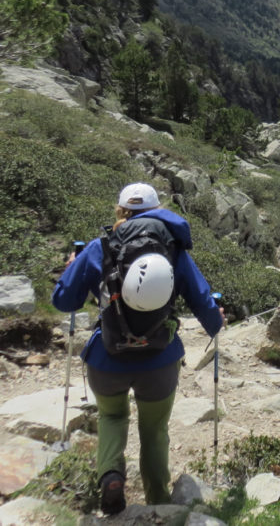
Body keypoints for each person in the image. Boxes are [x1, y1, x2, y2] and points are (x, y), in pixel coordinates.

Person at [51, 183, 223, 515]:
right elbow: (205, 305)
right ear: (158, 212)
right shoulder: (174, 250)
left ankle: (112, 477)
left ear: (120, 212)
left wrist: (73, 265)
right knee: (154, 430)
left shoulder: (99, 247)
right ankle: (159, 504)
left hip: (107, 358)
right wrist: (216, 323)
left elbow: (62, 301)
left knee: (113, 416)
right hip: (160, 360)